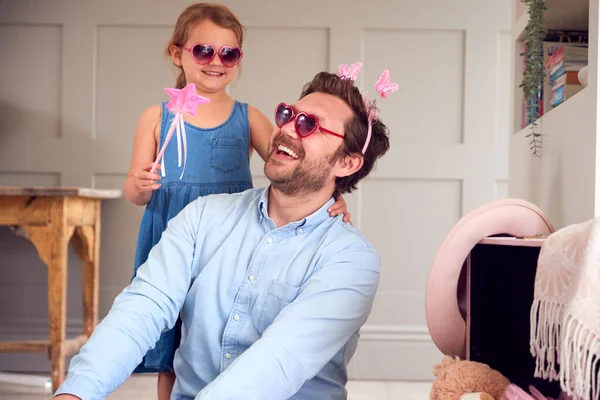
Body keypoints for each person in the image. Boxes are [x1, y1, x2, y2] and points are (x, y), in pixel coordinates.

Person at [54, 67, 391, 400]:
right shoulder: (202, 216)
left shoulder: (351, 261)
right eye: (288, 114)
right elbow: (143, 307)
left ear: (347, 163)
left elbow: (279, 360)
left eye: (309, 124)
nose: (287, 128)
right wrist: (77, 392)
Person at [123, 3, 350, 398]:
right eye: (203, 51)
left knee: (217, 327)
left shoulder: (249, 117)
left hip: (230, 238)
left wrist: (336, 196)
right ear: (178, 53)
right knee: (173, 338)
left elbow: (294, 167)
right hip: (173, 233)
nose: (217, 61)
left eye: (229, 53)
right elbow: (133, 191)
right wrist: (142, 185)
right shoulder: (157, 117)